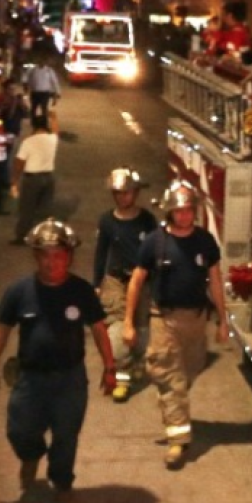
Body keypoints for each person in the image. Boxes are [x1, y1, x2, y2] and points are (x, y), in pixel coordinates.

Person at [0, 218, 114, 503]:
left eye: (58, 255)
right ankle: (31, 455)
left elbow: (99, 328)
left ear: (69, 256)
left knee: (66, 435)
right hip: (30, 379)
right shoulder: (19, 291)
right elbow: (2, 329)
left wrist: (110, 366)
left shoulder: (80, 292)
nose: (51, 262)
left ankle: (62, 482)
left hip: (70, 379)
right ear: (35, 256)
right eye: (44, 255)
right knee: (19, 430)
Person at [123, 180, 228, 469]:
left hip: (196, 320)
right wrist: (128, 322)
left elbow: (216, 281)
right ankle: (178, 441)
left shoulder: (205, 242)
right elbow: (136, 282)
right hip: (164, 319)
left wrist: (223, 320)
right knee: (171, 377)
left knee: (190, 370)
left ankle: (173, 404)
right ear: (169, 212)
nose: (184, 215)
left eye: (188, 210)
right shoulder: (154, 243)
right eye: (179, 211)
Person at [93, 168, 158, 403]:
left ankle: (136, 362)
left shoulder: (148, 221)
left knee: (141, 328)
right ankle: (121, 377)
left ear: (136, 193)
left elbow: (156, 253)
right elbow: (101, 253)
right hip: (115, 280)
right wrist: (97, 284)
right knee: (118, 329)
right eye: (117, 193)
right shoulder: (107, 221)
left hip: (141, 280)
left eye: (126, 193)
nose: (122, 197)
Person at [10, 114, 59, 245]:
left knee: (27, 209)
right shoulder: (52, 139)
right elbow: (55, 130)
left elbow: (19, 162)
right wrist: (54, 118)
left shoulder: (28, 142)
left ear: (34, 126)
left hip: (32, 179)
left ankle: (22, 236)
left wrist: (14, 181)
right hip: (49, 177)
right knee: (45, 209)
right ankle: (43, 236)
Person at [22, 56, 61, 126]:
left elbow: (55, 82)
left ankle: (44, 123)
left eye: (43, 61)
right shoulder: (32, 70)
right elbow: (25, 77)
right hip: (35, 93)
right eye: (40, 60)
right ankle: (33, 123)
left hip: (45, 93)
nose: (41, 62)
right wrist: (25, 86)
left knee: (44, 108)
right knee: (33, 108)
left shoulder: (49, 71)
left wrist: (57, 93)